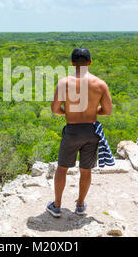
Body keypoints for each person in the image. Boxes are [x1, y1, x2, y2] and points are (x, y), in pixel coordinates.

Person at [46, 48, 113, 217]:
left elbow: (54, 109)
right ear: (90, 62)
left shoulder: (64, 83)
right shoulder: (100, 84)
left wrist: (68, 112)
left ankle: (57, 205)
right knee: (86, 170)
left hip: (72, 130)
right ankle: (81, 205)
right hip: (91, 130)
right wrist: (91, 110)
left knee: (62, 168)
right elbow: (107, 111)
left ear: (72, 63)